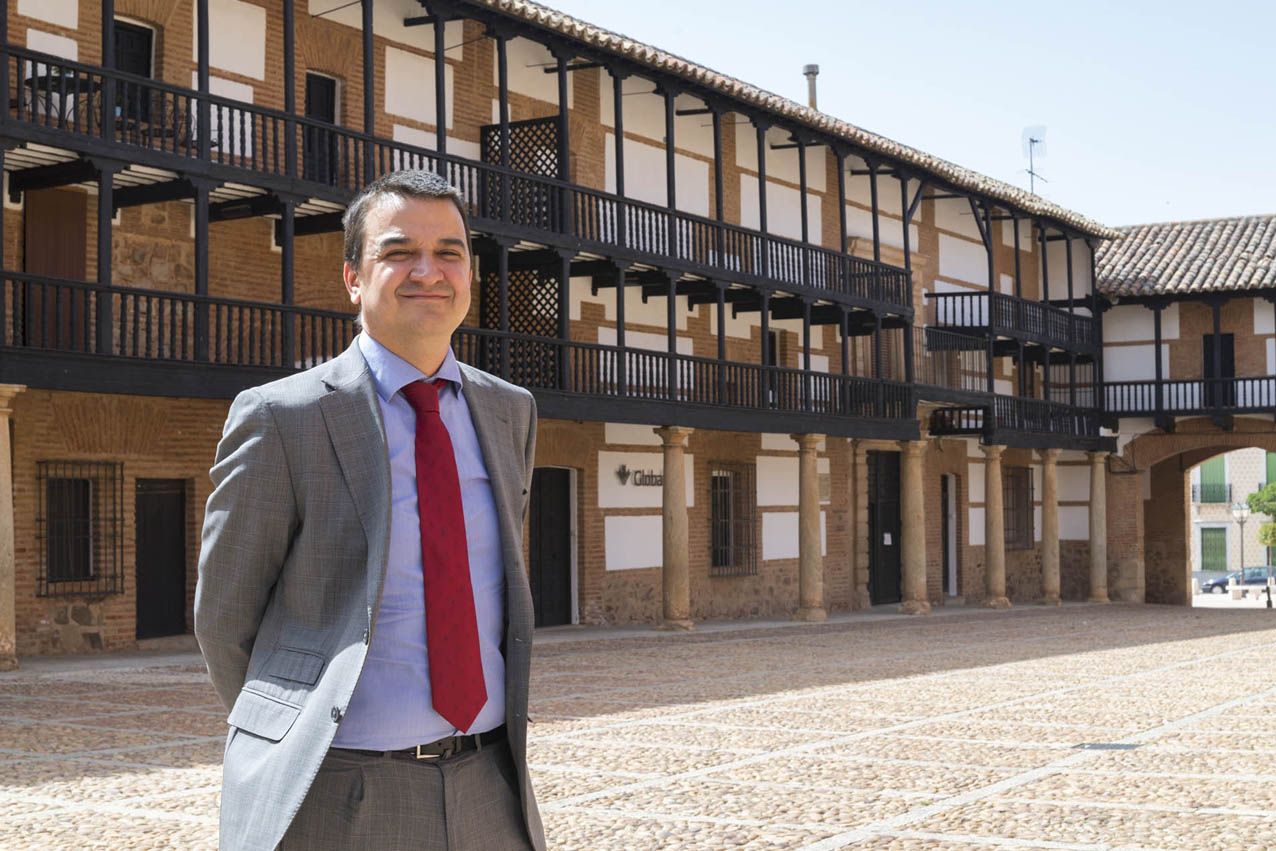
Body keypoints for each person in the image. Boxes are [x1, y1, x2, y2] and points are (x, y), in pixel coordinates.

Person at [195, 170, 544, 851]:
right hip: (341, 793)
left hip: (489, 786)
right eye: (397, 252)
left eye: (449, 251)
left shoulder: (511, 411)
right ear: (354, 276)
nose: (428, 271)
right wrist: (293, 729)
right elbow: (224, 619)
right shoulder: (282, 417)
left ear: (470, 272)